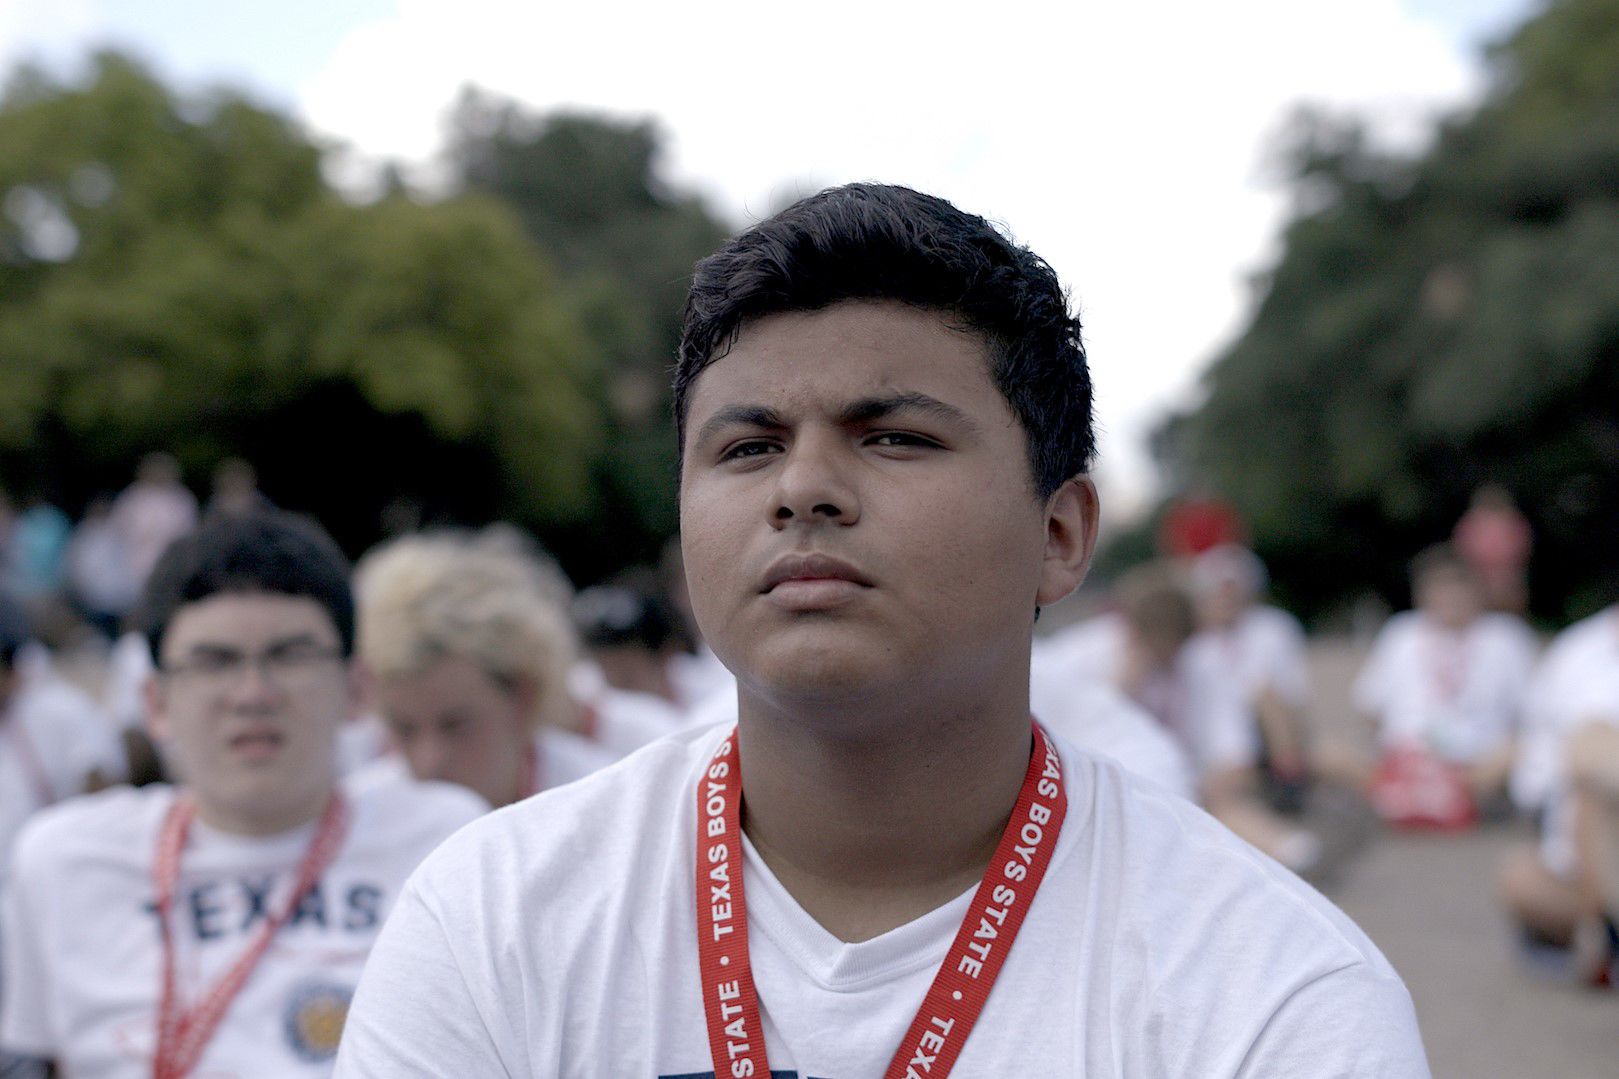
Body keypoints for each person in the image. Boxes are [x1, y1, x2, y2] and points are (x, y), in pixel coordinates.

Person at [337, 183, 1427, 1075]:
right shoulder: (490, 920)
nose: (802, 487)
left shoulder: (1273, 994)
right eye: (748, 448)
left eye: (894, 436)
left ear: (1058, 533)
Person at [0, 510, 485, 1076]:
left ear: (356, 689)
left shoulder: (445, 846)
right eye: (214, 661)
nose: (253, 694)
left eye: (290, 655)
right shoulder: (66, 861)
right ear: (155, 702)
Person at [1037, 567, 1319, 871]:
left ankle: (1289, 852)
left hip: (1185, 780)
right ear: (1132, 631)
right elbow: (1071, 728)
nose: (1167, 658)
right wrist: (1125, 681)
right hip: (1096, 781)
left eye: (1174, 648)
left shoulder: (1202, 662)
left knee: (1215, 802)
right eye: (1157, 648)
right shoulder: (1077, 653)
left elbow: (1230, 747)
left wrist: (1218, 775)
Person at [353, 530, 617, 807]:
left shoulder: (604, 803)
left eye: (456, 726)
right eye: (404, 729)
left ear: (524, 697)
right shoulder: (365, 815)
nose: (429, 761)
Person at [1354, 543, 1537, 820]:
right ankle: (1425, 796)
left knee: (1521, 751)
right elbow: (1370, 707)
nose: (1451, 596)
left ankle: (1429, 798)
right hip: (1410, 755)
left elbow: (1532, 711)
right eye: (1441, 587)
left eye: (1459, 587)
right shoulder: (1402, 633)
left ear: (1478, 591)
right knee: (1330, 754)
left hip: (1478, 760)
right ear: (1422, 594)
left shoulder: (1505, 636)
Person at [1498, 602, 1619, 977]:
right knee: (1521, 877)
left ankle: (1599, 930)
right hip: (1587, 844)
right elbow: (1537, 769)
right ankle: (1599, 923)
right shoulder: (1576, 652)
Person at [1185, 544, 1312, 809]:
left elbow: (1294, 697)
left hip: (1274, 735)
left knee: (1265, 696)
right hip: (1227, 750)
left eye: (1232, 589)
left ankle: (1287, 773)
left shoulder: (1273, 628)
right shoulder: (1194, 647)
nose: (1225, 598)